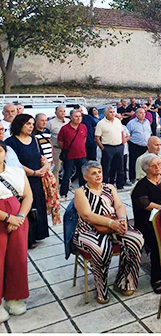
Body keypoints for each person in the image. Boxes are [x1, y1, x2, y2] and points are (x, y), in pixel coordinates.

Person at [73, 161, 144, 304]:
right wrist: (111, 223)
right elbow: (87, 215)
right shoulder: (81, 192)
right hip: (88, 229)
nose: (98, 175)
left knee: (136, 239)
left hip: (114, 224)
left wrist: (122, 219)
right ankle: (101, 288)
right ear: (85, 177)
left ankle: (125, 281)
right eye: (94, 173)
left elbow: (119, 206)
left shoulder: (109, 187)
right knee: (101, 249)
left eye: (99, 172)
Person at [131, 154, 161, 293]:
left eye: (159, 164)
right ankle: (157, 277)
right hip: (150, 222)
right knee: (157, 242)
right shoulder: (142, 186)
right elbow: (146, 204)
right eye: (153, 165)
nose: (157, 167)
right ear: (146, 169)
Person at [6, 114, 51, 248]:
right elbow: (15, 164)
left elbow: (42, 156)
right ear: (19, 125)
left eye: (32, 124)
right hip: (22, 180)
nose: (31, 127)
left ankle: (39, 233)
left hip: (38, 179)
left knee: (38, 206)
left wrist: (45, 166)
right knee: (26, 207)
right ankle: (28, 238)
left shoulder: (34, 139)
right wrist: (33, 172)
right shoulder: (11, 142)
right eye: (28, 124)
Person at [0, 139, 33, 322]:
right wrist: (8, 218)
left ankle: (14, 298)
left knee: (17, 259)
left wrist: (19, 217)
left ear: (5, 153)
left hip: (18, 220)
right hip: (4, 219)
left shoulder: (17, 172)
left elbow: (28, 196)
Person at [57, 109, 88, 199]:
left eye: (80, 116)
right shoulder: (65, 128)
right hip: (69, 156)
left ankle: (84, 191)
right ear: (71, 117)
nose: (79, 118)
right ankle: (63, 193)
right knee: (67, 175)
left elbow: (84, 139)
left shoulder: (83, 127)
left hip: (82, 155)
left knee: (83, 174)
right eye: (76, 116)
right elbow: (60, 142)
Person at [94, 106, 125, 190]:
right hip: (108, 147)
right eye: (110, 112)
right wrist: (103, 148)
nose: (112, 113)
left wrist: (123, 143)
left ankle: (120, 185)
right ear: (106, 114)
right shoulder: (101, 123)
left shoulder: (117, 121)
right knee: (106, 167)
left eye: (113, 112)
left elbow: (122, 132)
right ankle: (106, 185)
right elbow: (97, 138)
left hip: (119, 146)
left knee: (120, 167)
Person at [126, 108, 152, 182]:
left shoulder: (147, 122)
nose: (143, 114)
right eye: (141, 113)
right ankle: (132, 178)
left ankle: (144, 177)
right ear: (136, 114)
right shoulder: (131, 123)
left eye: (144, 113)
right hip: (135, 145)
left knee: (145, 162)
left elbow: (149, 132)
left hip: (145, 145)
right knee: (133, 162)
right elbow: (128, 134)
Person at [47, 106, 69, 181]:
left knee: (68, 169)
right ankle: (56, 186)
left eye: (64, 111)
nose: (63, 113)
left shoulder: (68, 121)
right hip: (56, 149)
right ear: (55, 113)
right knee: (56, 169)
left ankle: (67, 185)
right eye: (60, 111)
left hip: (68, 149)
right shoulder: (50, 123)